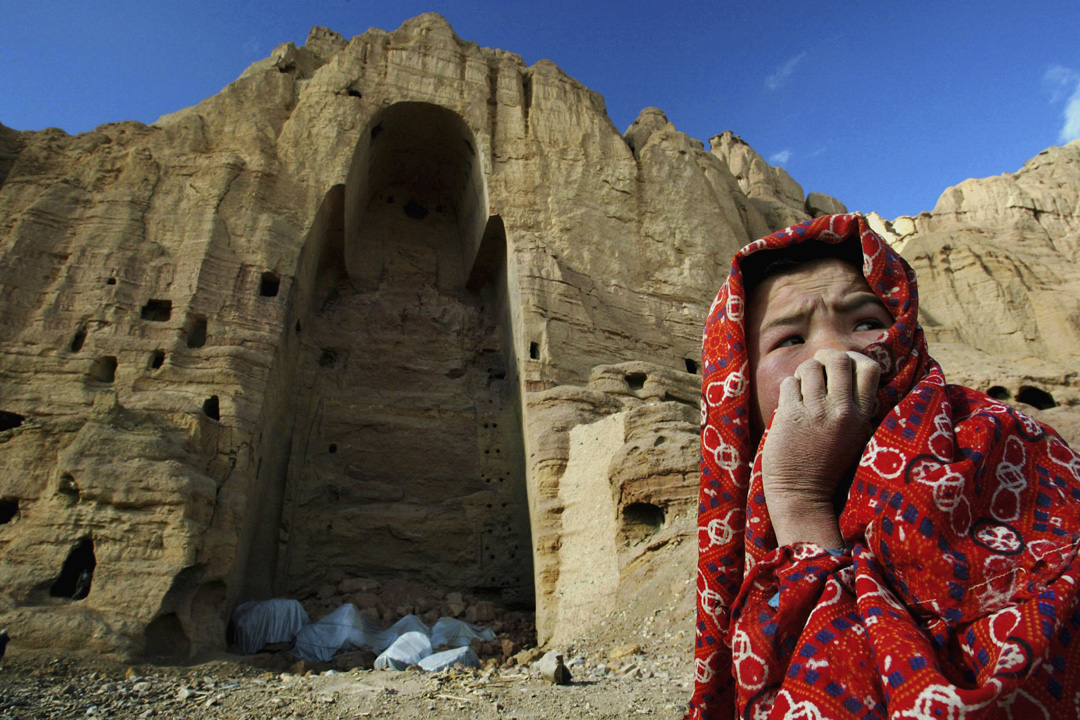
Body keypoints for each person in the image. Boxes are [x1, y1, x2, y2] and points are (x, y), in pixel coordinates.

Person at [687, 214, 1080, 719]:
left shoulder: (1010, 450)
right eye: (789, 340)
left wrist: (798, 499)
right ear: (736, 389)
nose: (836, 352)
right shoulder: (743, 537)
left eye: (868, 323)